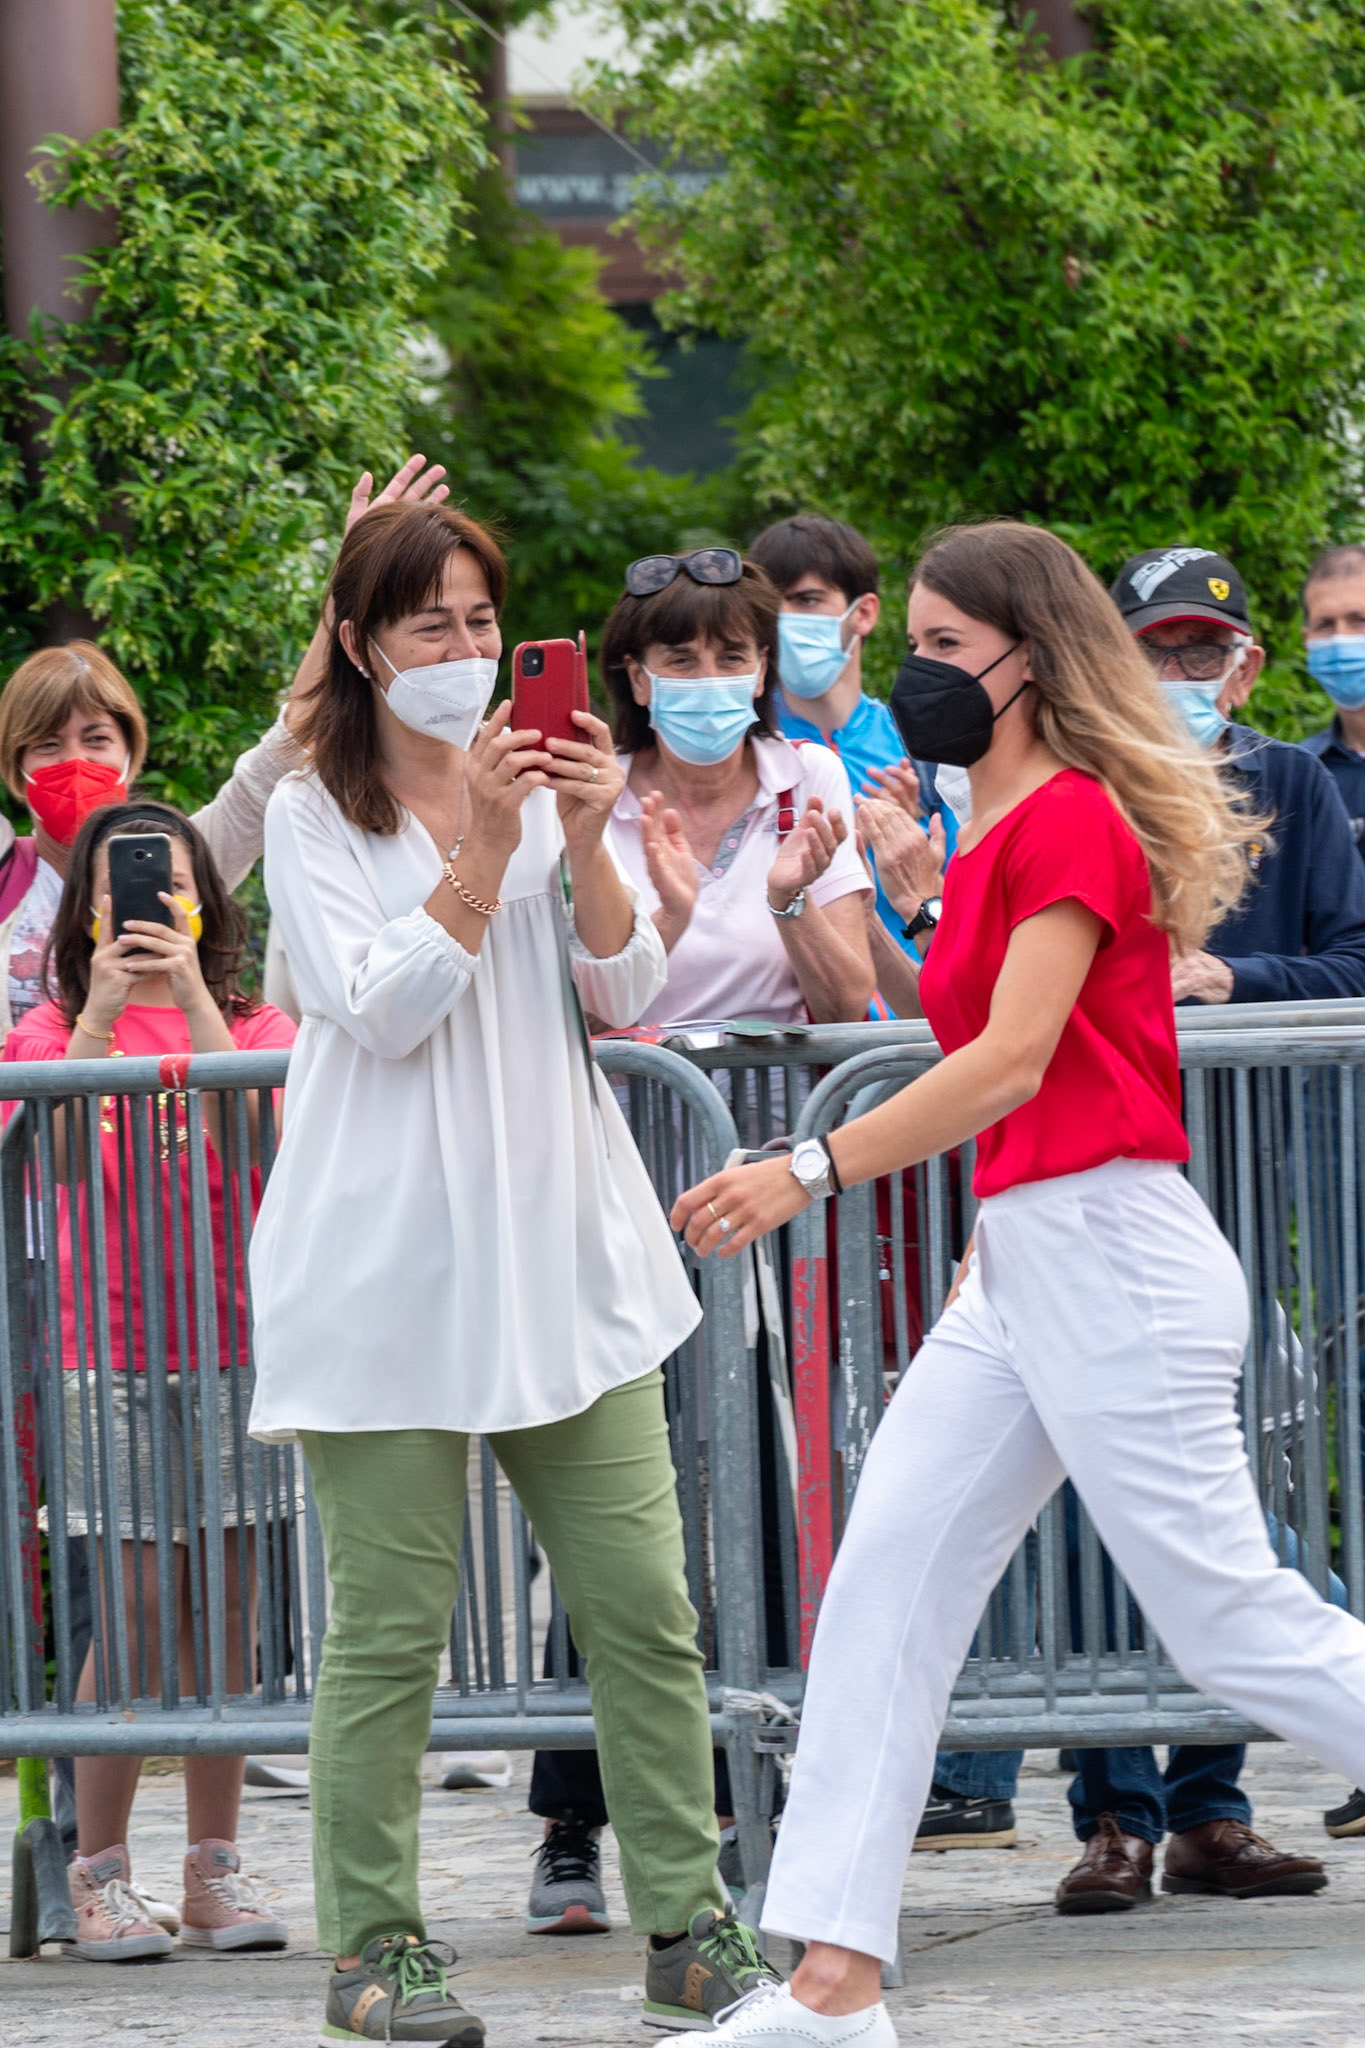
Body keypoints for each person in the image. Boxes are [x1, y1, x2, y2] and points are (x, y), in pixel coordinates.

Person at [667, 519, 1365, 2048]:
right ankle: (830, 1989)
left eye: (939, 647)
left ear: (1028, 660)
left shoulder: (1072, 823)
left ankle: (830, 1988)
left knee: (1231, 1625)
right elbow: (968, 1025)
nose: (914, 671)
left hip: (1110, 1255)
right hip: (1033, 1257)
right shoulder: (994, 829)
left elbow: (1012, 1062)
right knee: (884, 1593)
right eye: (912, 642)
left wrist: (806, 1168)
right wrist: (886, 903)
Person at [245, 502, 781, 2045]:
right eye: (432, 624)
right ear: (361, 644)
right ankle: (375, 1953)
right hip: (384, 1273)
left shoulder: (541, 790)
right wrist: (484, 845)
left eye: (483, 622)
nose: (466, 651)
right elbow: (381, 1007)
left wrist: (589, 834)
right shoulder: (311, 813)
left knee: (644, 1609)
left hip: (565, 1259)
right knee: (388, 1633)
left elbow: (622, 987)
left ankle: (686, 1926)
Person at [522, 547, 873, 1936]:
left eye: (733, 655)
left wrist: (789, 893)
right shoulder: (587, 794)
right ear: (633, 673)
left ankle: (760, 1795)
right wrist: (659, 906)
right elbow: (585, 995)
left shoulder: (811, 780)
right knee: (612, 1480)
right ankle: (571, 1818)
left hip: (763, 1172)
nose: (711, 681)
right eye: (681, 658)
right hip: (613, 1167)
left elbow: (844, 999)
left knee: (769, 1476)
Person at [3, 802, 296, 1960]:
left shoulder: (257, 1020)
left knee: (229, 1605)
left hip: (236, 1340)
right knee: (127, 1612)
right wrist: (104, 1012)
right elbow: (61, 1160)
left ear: (206, 902)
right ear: (85, 910)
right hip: (107, 1345)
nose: (146, 904)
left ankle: (214, 1865)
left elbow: (261, 1144)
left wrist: (196, 1000)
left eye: (172, 885)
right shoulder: (50, 1027)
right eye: (123, 886)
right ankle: (99, 1869)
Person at [747, 513, 957, 1014]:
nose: (784, 619)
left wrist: (910, 843)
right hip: (803, 1039)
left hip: (917, 1026)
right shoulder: (742, 748)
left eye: (806, 600)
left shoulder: (923, 747)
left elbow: (970, 908)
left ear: (863, 613)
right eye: (771, 605)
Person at [1300, 543, 1365, 858]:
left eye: (1359, 620)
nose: (1341, 638)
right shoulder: (1301, 774)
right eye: (1325, 625)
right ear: (1307, 640)